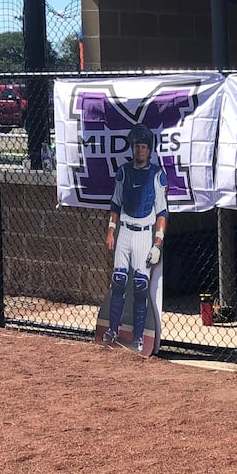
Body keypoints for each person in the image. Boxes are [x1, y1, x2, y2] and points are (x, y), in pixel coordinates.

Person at [100, 123, 168, 355]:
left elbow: (161, 212)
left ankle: (139, 337)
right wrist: (111, 231)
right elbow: (115, 203)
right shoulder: (124, 171)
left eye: (143, 147)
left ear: (149, 150)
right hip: (125, 231)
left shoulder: (157, 175)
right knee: (118, 281)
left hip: (143, 232)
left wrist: (157, 243)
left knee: (140, 286)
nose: (139, 150)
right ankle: (112, 330)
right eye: (136, 146)